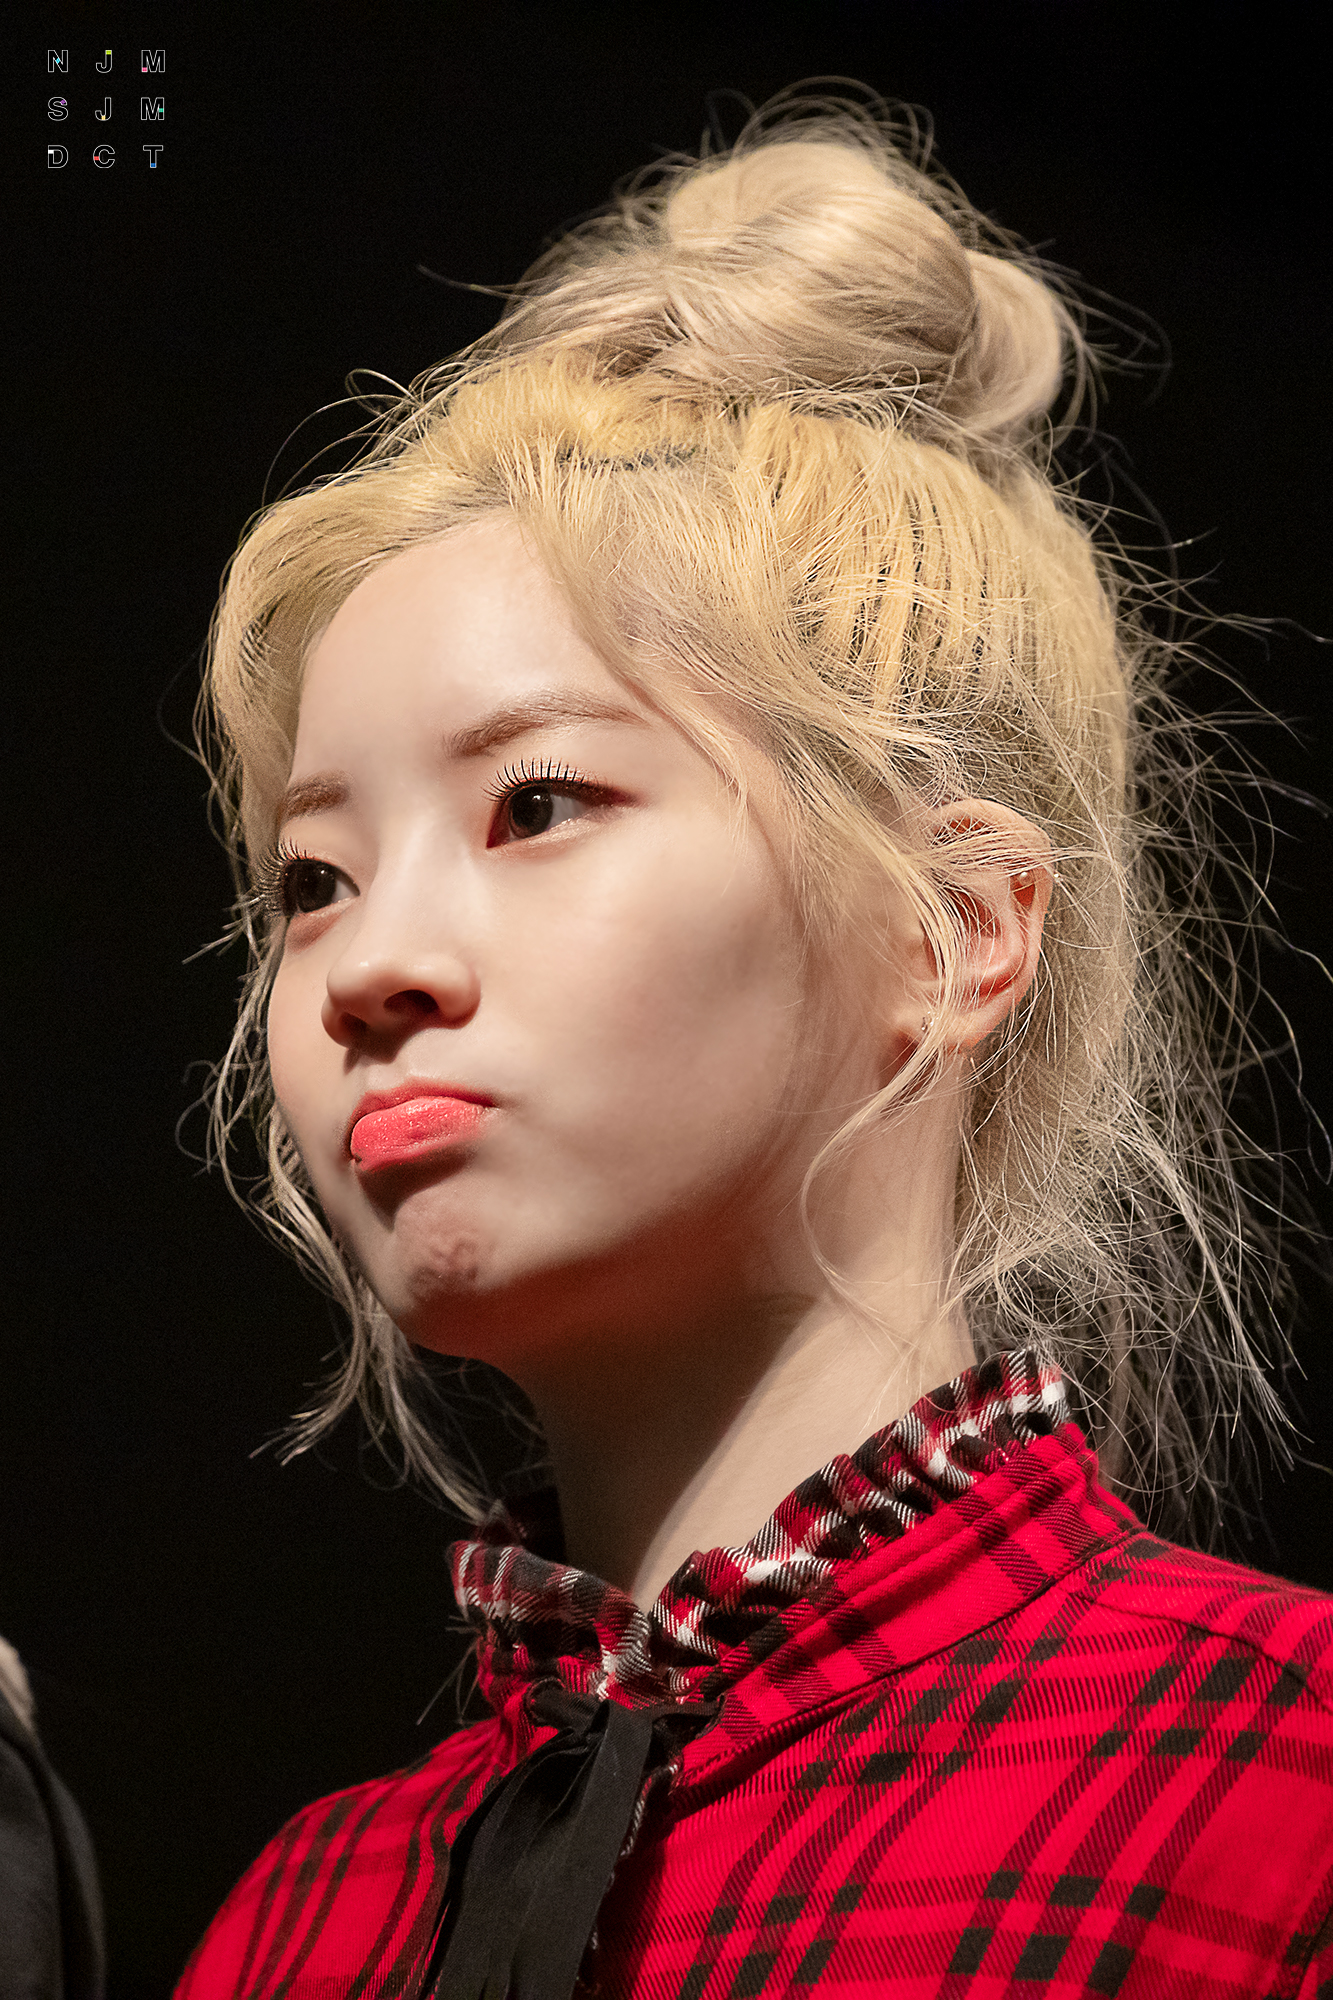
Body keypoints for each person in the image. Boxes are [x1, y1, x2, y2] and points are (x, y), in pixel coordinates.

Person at [174, 93, 1333, 1998]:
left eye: (536, 805)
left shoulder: (1268, 1783)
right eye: (311, 880)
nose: (368, 965)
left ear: (950, 929)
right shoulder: (305, 1920)